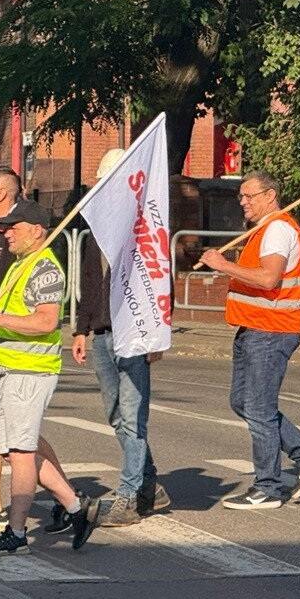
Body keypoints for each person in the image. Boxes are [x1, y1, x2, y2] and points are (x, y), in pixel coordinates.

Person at [0, 169, 75, 533]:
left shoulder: (21, 235)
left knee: (19, 439)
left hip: (15, 353)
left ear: (4, 193)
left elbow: (44, 315)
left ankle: (62, 502)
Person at [0, 199, 99, 555]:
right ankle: (77, 508)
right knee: (17, 452)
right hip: (13, 370)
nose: (7, 233)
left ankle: (16, 533)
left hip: (30, 373)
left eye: (14, 228)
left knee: (21, 453)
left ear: (36, 231)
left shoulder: (44, 268)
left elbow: (46, 322)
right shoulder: (22, 264)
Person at [200, 170, 300, 510]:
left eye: (249, 195)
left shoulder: (277, 229)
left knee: (257, 407)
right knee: (244, 402)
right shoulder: (263, 230)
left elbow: (269, 278)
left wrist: (223, 265)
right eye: (241, 196)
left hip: (272, 329)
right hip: (255, 326)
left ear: (270, 195)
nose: (243, 201)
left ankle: (268, 487)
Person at [71, 149, 171, 526]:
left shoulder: (143, 231)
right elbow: (89, 285)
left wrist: (158, 335)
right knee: (115, 415)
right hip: (101, 333)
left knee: (132, 418)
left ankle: (128, 497)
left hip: (134, 334)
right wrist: (82, 329)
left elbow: (161, 279)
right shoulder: (96, 229)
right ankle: (149, 485)